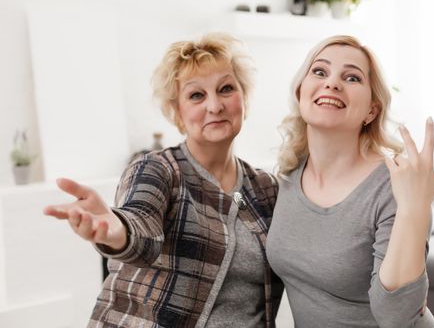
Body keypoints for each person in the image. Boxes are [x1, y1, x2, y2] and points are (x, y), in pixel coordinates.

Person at [44, 33, 283, 328]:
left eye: (226, 89)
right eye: (197, 95)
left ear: (244, 98)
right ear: (177, 113)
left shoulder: (265, 189)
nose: (215, 106)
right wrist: (116, 230)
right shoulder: (158, 169)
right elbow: (141, 226)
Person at [266, 35, 434, 327]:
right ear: (300, 91)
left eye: (352, 77)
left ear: (371, 110)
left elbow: (396, 315)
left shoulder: (394, 187)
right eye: (319, 71)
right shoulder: (289, 175)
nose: (331, 83)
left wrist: (414, 208)